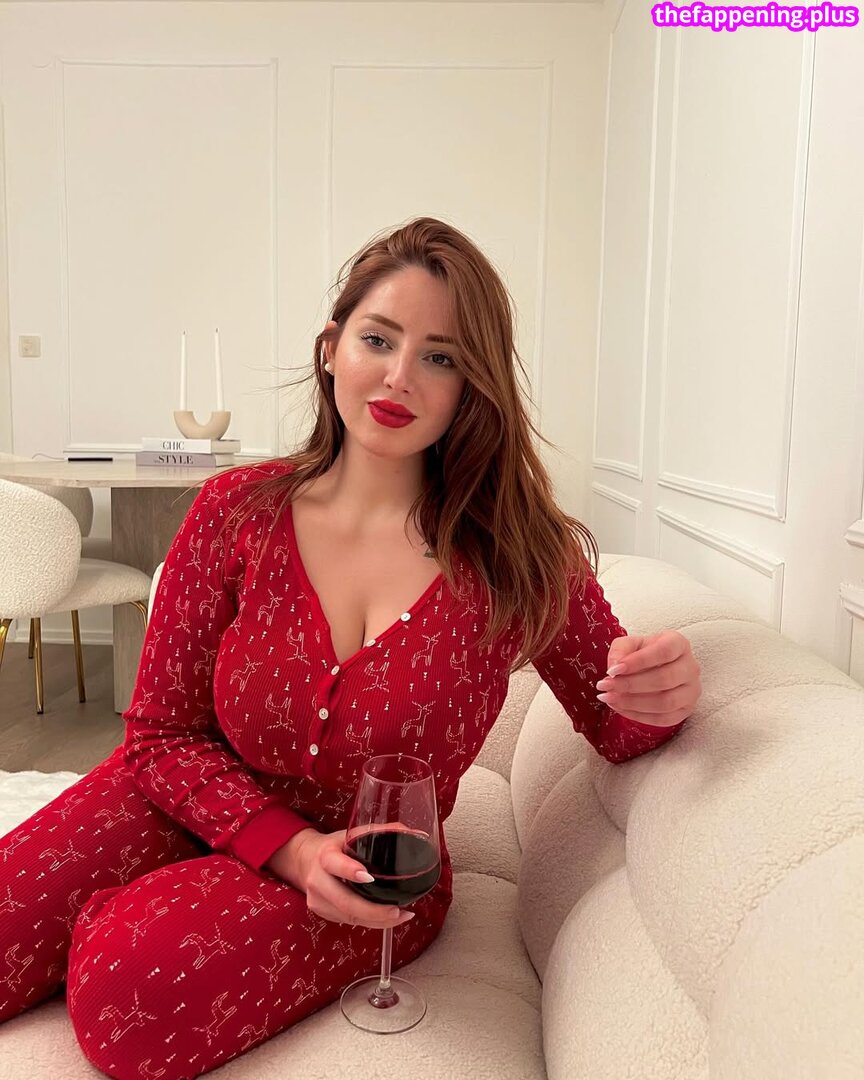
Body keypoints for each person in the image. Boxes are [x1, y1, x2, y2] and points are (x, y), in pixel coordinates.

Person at [0, 216, 701, 1079]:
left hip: (367, 871)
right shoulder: (234, 511)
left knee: (123, 997)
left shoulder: (520, 555)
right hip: (187, 796)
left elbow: (620, 721)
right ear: (332, 348)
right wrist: (275, 843)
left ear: (472, 387)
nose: (400, 376)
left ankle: (126, 917)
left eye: (440, 357)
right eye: (378, 339)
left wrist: (663, 692)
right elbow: (159, 734)